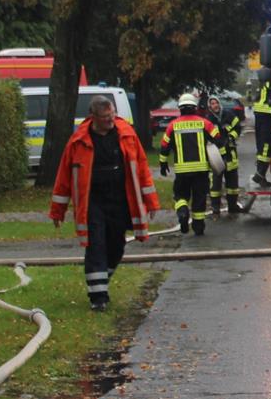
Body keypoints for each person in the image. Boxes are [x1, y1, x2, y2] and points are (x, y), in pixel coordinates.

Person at [51, 96, 158, 311]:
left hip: (119, 200)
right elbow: (64, 175)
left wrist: (151, 201)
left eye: (112, 115)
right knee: (96, 245)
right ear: (93, 118)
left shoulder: (126, 134)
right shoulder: (79, 141)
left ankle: (100, 281)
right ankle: (98, 297)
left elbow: (142, 168)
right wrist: (58, 210)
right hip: (93, 202)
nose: (110, 120)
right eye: (105, 117)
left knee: (117, 245)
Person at [159, 93, 221, 235]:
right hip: (201, 170)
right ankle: (198, 228)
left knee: (180, 195)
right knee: (199, 199)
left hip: (182, 171)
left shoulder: (172, 125)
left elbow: (164, 146)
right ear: (195, 107)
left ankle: (182, 212)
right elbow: (217, 136)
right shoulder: (204, 122)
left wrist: (163, 164)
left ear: (180, 108)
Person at [207, 95, 242, 215]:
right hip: (216, 154)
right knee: (216, 182)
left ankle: (233, 205)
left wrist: (231, 136)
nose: (215, 105)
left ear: (219, 104)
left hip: (230, 153)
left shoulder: (229, 115)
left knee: (232, 182)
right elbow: (207, 135)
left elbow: (238, 128)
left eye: (216, 103)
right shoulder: (209, 119)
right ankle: (215, 207)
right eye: (212, 103)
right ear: (209, 106)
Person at [250, 72, 271, 186]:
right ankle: (260, 174)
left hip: (259, 114)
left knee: (261, 145)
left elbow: (253, 97)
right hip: (268, 115)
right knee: (266, 145)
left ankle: (261, 176)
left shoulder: (261, 84)